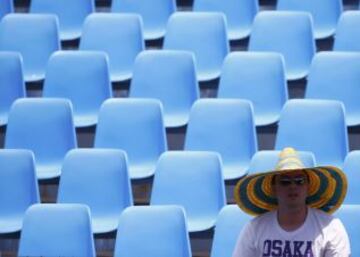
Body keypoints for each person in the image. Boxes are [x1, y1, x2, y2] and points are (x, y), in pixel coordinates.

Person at [232, 147, 350, 257]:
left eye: (299, 181)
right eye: (285, 181)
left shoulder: (331, 228)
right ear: (274, 188)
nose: (293, 186)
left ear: (308, 186)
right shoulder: (255, 228)